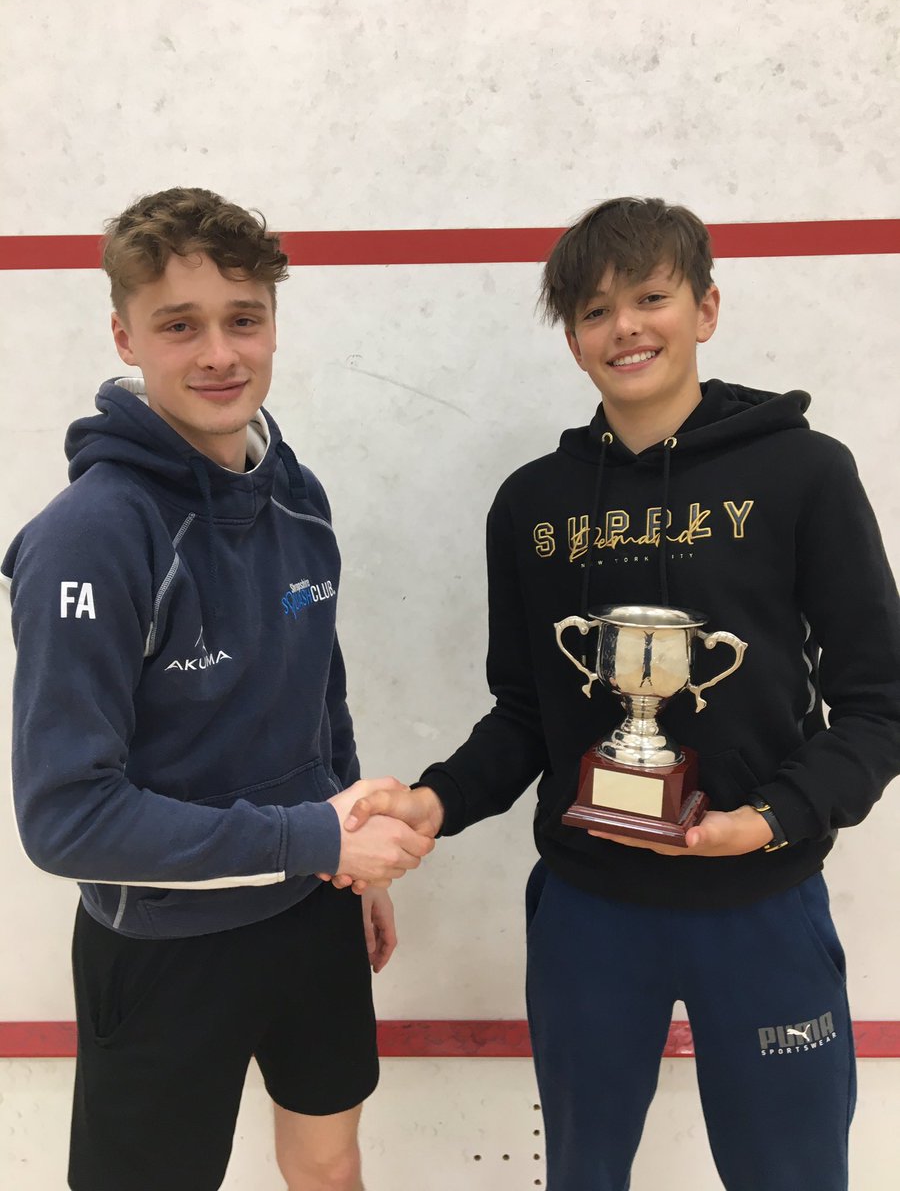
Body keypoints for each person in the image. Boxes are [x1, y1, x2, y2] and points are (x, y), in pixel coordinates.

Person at [339, 197, 900, 1190]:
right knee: (584, 1176)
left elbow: (879, 700)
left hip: (762, 905)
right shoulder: (535, 504)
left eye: (652, 297)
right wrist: (437, 800)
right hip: (591, 916)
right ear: (572, 339)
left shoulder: (804, 473)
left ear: (707, 307)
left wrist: (773, 817)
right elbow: (524, 713)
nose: (626, 327)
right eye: (596, 311)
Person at [2, 187, 433, 1191]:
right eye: (179, 325)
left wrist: (348, 853)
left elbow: (318, 689)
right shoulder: (89, 536)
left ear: (274, 321)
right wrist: (316, 840)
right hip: (160, 949)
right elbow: (66, 819)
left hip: (313, 915)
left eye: (243, 319)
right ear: (125, 334)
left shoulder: (299, 495)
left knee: (328, 1167)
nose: (219, 355)